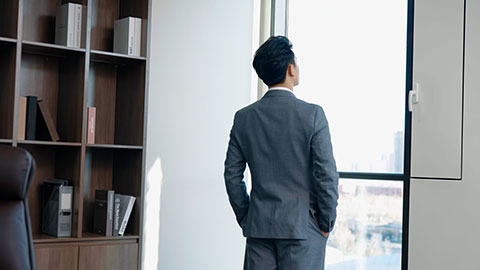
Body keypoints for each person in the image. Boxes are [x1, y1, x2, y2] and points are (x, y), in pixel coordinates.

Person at [224, 36, 339, 270]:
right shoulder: (312, 115)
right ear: (290, 69)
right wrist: (325, 223)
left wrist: (247, 217)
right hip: (303, 229)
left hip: (259, 229)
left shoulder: (244, 118)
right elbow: (326, 175)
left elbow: (231, 176)